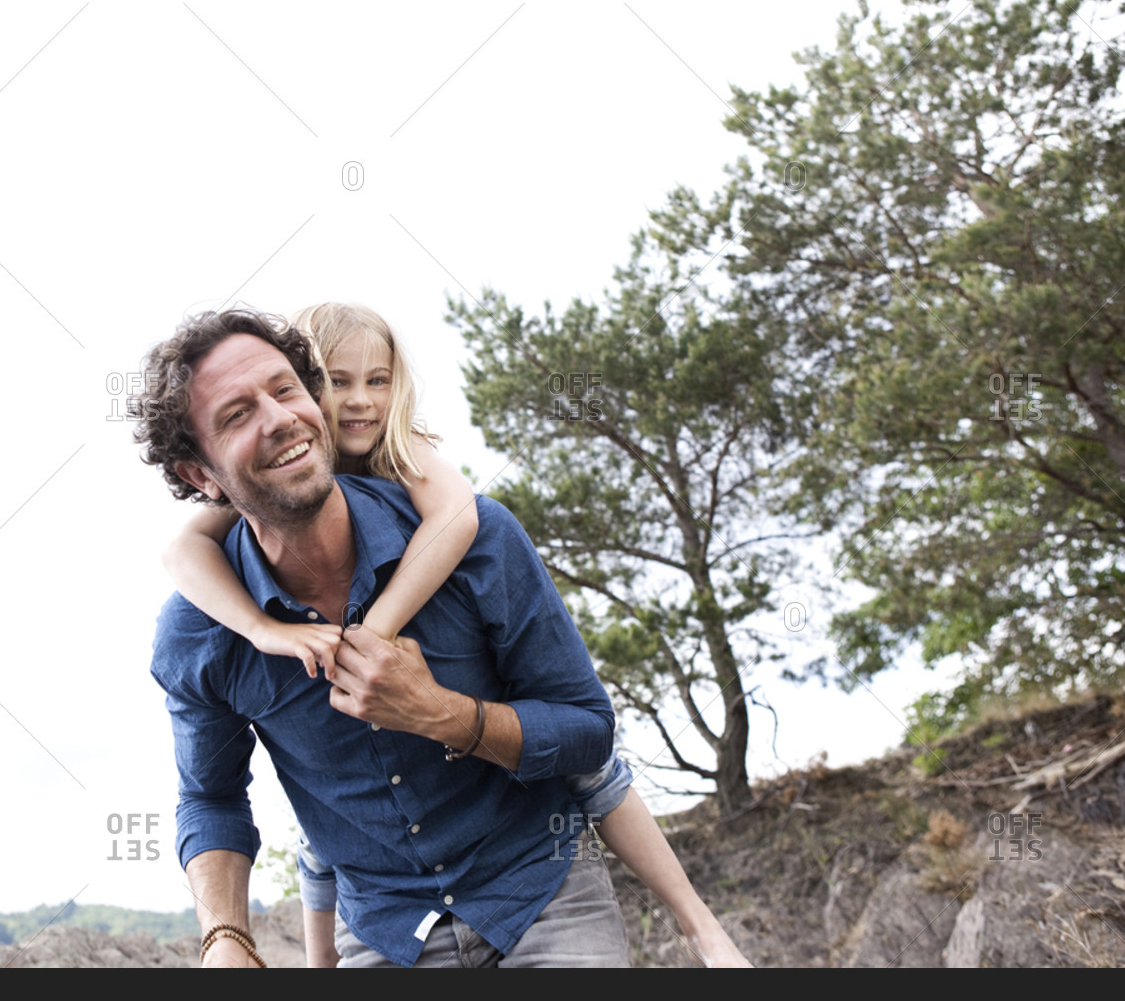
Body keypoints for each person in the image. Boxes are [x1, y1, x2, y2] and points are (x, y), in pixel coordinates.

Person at [136, 305, 741, 967]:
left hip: (540, 893)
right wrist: (225, 935)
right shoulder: (200, 628)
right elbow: (211, 795)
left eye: (286, 389)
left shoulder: (474, 535)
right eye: (236, 414)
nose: (279, 418)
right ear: (198, 473)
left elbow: (587, 731)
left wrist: (442, 714)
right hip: (384, 934)